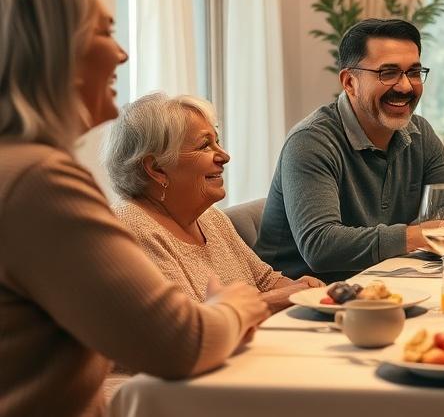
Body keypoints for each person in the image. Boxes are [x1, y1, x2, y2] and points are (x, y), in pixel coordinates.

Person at [0, 0, 268, 417]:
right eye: (104, 32)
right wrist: (233, 305)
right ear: (57, 51)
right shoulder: (39, 182)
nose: (121, 53)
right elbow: (180, 342)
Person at [256, 18, 444, 281]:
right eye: (387, 73)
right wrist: (420, 233)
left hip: (385, 284)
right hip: (302, 300)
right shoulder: (310, 141)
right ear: (349, 82)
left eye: (413, 72)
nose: (405, 86)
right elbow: (320, 246)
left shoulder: (420, 132)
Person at [103, 93, 323, 313]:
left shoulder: (210, 217)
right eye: (204, 146)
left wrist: (299, 287)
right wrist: (277, 299)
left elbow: (264, 280)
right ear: (157, 168)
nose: (224, 156)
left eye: (217, 141)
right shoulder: (131, 228)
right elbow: (186, 323)